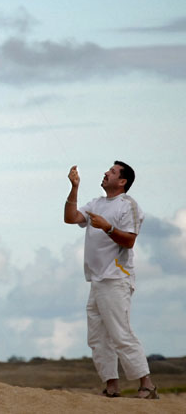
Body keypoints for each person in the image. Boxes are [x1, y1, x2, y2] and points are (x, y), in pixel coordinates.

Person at [64, 161, 157, 399]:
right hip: (97, 280)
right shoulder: (96, 203)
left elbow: (129, 241)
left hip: (116, 278)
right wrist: (74, 187)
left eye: (113, 172)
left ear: (123, 181)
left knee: (119, 332)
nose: (106, 173)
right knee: (97, 336)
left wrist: (107, 228)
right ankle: (111, 385)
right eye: (108, 170)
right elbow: (71, 217)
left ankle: (146, 384)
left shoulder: (129, 205)